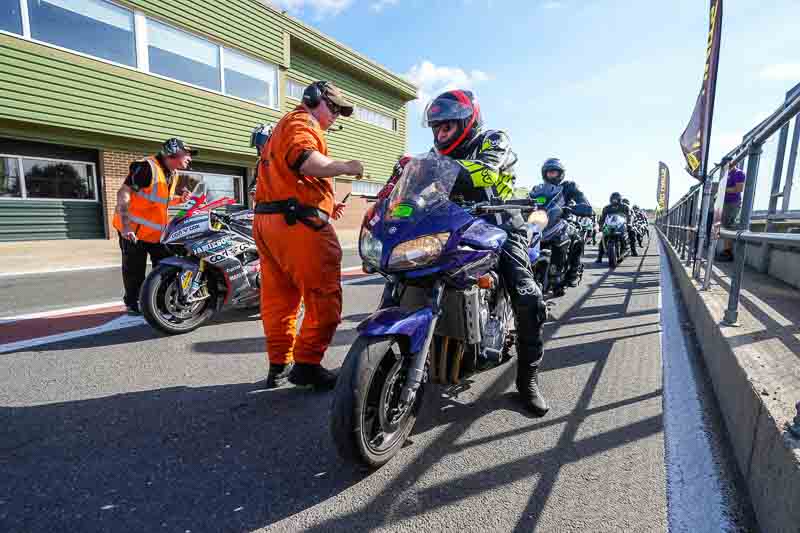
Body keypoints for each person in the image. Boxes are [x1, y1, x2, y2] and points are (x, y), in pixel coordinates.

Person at [409, 89, 549, 415]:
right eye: (436, 129)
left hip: (499, 224)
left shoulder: (493, 139)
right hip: (455, 224)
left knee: (528, 297)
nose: (440, 135)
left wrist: (427, 169)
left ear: (466, 123)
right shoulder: (434, 154)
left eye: (447, 127)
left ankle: (527, 380)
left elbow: (487, 170)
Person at [255, 80, 364, 390]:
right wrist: (346, 166)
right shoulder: (302, 122)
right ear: (315, 100)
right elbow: (306, 160)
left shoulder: (281, 129)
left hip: (269, 223)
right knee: (323, 297)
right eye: (334, 109)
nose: (336, 118)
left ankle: (279, 364)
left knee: (279, 300)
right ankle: (307, 364)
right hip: (299, 225)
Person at [113, 138, 194, 315]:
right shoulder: (146, 167)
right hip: (133, 231)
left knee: (167, 264)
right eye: (186, 153)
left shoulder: (173, 173)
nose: (190, 157)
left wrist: (180, 199)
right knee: (134, 270)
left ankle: (158, 300)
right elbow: (123, 192)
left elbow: (158, 201)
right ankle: (133, 304)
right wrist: (126, 226)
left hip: (156, 233)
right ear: (173, 152)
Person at [539, 158, 592, 286]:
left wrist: (582, 206)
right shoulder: (539, 189)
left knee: (577, 238)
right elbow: (530, 201)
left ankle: (573, 271)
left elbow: (581, 198)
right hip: (542, 224)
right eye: (549, 172)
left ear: (560, 174)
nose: (551, 175)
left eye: (554, 172)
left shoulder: (569, 187)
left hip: (563, 220)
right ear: (544, 174)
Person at [718, 166, 745, 262]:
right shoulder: (727, 174)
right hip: (726, 203)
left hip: (733, 203)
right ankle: (726, 251)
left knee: (729, 226)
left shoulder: (738, 173)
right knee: (725, 226)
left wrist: (723, 189)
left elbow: (739, 189)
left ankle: (728, 252)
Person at [596, 192, 632, 263]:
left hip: (621, 225)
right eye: (613, 199)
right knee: (603, 238)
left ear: (619, 199)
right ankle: (599, 257)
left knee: (629, 234)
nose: (614, 200)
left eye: (616, 199)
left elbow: (629, 216)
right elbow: (602, 218)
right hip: (609, 225)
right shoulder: (606, 208)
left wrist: (629, 224)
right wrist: (600, 226)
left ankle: (631, 249)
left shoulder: (625, 207)